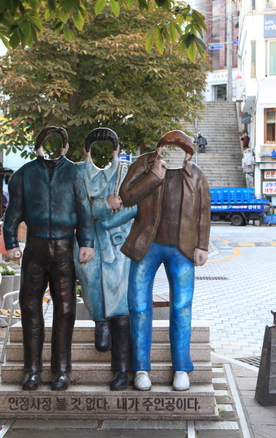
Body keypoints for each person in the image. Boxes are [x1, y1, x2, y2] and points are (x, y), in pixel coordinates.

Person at [3, 126, 95, 392]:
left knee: (65, 308)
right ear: (37, 146)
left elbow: (84, 209)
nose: (52, 148)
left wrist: (86, 242)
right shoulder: (24, 175)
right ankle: (31, 370)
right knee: (30, 306)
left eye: (57, 144)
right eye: (45, 143)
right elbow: (13, 213)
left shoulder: (75, 173)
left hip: (65, 247)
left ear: (65, 147)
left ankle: (62, 370)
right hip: (35, 246)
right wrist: (10, 242)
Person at [119, 130, 211, 392]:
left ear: (188, 154)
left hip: (182, 248)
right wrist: (153, 178)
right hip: (146, 245)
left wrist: (202, 245)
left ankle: (181, 368)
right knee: (138, 306)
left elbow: (204, 212)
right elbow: (126, 197)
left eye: (181, 149)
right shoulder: (145, 165)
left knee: (182, 307)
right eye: (168, 147)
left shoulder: (196, 176)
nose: (174, 153)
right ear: (159, 149)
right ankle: (140, 369)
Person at [74, 128, 137, 391]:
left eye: (108, 148)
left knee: (121, 308)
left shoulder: (125, 171)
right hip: (86, 247)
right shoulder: (78, 172)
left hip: (117, 248)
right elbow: (76, 208)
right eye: (93, 149)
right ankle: (100, 323)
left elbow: (133, 207)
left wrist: (103, 217)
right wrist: (104, 205)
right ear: (87, 152)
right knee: (91, 292)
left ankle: (121, 370)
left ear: (115, 150)